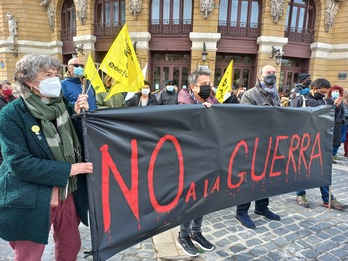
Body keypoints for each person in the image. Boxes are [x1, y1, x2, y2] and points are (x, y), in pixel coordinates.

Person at [0, 53, 93, 260]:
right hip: (30, 193)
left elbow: (78, 140)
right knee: (29, 254)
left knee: (70, 247)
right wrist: (69, 169)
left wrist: (79, 115)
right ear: (28, 80)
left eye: (55, 74)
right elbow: (18, 162)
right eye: (47, 75)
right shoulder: (12, 114)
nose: (54, 79)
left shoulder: (63, 106)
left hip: (67, 190)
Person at [176, 66, 217, 257]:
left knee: (203, 196)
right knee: (190, 198)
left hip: (207, 158)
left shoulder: (211, 101)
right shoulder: (184, 102)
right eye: (204, 84)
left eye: (210, 84)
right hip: (189, 160)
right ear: (193, 87)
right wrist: (200, 112)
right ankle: (183, 235)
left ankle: (196, 232)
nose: (209, 87)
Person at [235, 64, 281, 229]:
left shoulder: (275, 94)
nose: (272, 75)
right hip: (253, 143)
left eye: (274, 73)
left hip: (270, 142)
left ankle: (262, 207)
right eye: (269, 72)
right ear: (260, 76)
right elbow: (246, 118)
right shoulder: (250, 95)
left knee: (266, 177)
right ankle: (241, 211)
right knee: (249, 178)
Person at [291, 78, 344, 210]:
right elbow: (290, 119)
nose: (323, 94)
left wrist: (336, 108)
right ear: (314, 89)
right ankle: (300, 194)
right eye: (321, 92)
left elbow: (334, 121)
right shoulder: (300, 100)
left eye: (325, 92)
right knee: (302, 169)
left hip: (320, 141)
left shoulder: (327, 101)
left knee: (323, 170)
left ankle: (328, 198)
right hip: (303, 141)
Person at [0, 80, 17, 165]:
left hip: (13, 127)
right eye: (6, 87)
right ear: (0, 90)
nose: (9, 89)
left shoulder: (15, 99)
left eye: (10, 87)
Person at [327, 85, 345, 162]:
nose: (335, 93)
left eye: (337, 91)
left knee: (336, 141)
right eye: (334, 91)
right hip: (330, 123)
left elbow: (342, 112)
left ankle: (332, 155)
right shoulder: (328, 100)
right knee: (329, 141)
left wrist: (342, 120)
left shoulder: (341, 102)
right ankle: (328, 157)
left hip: (338, 124)